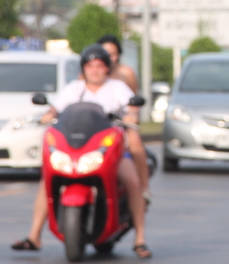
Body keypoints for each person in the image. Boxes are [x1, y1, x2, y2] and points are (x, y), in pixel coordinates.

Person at [12, 44, 152, 259]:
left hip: (109, 151)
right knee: (46, 182)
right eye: (90, 66)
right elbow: (55, 109)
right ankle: (34, 236)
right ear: (83, 68)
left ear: (107, 68)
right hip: (76, 150)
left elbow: (132, 109)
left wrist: (130, 116)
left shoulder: (117, 88)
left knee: (132, 182)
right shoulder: (73, 89)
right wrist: (47, 116)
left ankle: (140, 239)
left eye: (99, 66)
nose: (95, 70)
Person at [97, 34, 151, 197]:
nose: (109, 58)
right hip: (96, 126)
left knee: (135, 143)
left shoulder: (126, 75)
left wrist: (131, 118)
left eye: (113, 54)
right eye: (105, 53)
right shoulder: (86, 78)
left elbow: (133, 103)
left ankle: (143, 188)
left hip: (120, 125)